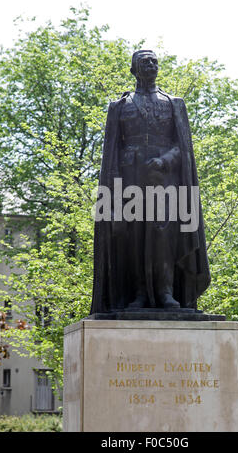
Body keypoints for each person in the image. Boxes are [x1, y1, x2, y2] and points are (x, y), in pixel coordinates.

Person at [90, 50, 210, 314]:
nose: (152, 65)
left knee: (162, 235)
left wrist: (165, 160)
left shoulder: (173, 103)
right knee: (133, 239)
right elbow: (111, 152)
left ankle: (166, 292)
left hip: (164, 181)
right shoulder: (119, 106)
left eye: (155, 61)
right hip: (129, 182)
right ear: (134, 69)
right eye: (146, 62)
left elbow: (184, 147)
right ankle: (140, 294)